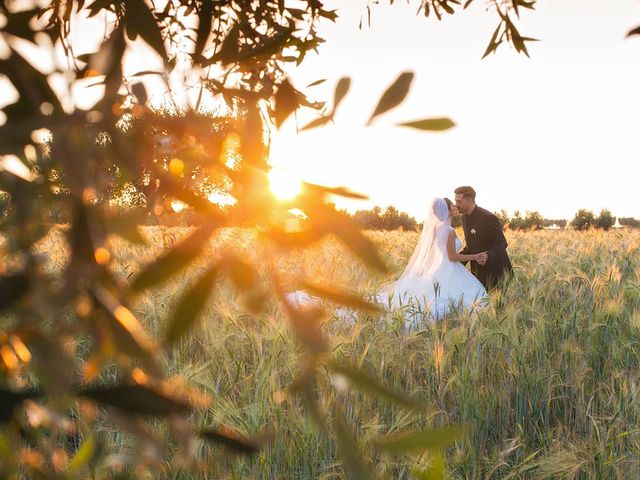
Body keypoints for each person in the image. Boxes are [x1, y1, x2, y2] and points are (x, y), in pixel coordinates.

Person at [375, 197, 487, 323]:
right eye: (452, 206)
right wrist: (475, 256)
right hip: (450, 270)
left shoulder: (435, 230)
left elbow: (435, 255)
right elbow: (452, 257)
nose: (455, 207)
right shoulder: (449, 231)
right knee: (467, 297)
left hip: (440, 268)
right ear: (447, 210)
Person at [454, 186, 513, 290]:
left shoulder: (488, 217)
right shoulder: (463, 218)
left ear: (470, 200)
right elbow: (470, 245)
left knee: (499, 306)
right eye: (455, 201)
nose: (456, 205)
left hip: (497, 274)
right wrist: (455, 263)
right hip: (478, 274)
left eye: (459, 202)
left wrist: (487, 255)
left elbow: (502, 242)